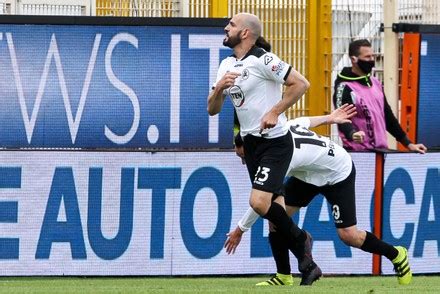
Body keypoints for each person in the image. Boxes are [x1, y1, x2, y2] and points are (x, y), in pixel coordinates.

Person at [224, 104, 413, 286]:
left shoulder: (280, 157)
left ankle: (396, 254)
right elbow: (304, 121)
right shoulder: (280, 131)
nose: (244, 162)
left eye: (244, 157)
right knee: (276, 217)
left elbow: (260, 202)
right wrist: (330, 118)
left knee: (349, 235)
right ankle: (283, 275)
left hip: (338, 172)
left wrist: (240, 230)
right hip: (309, 175)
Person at [207, 12, 321, 285]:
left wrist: (275, 110)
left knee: (258, 203)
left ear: (245, 33)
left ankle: (303, 242)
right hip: (251, 143)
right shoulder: (225, 64)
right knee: (273, 212)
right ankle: (293, 271)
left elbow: (302, 84)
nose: (226, 27)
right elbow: (212, 110)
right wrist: (219, 89)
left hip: (275, 141)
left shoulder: (263, 59)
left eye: (232, 24)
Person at [333, 39, 427, 154]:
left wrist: (408, 144)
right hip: (359, 153)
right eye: (367, 57)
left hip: (381, 152)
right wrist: (352, 134)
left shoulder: (375, 82)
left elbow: (388, 117)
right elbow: (341, 119)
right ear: (354, 59)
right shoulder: (344, 87)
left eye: (373, 56)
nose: (372, 60)